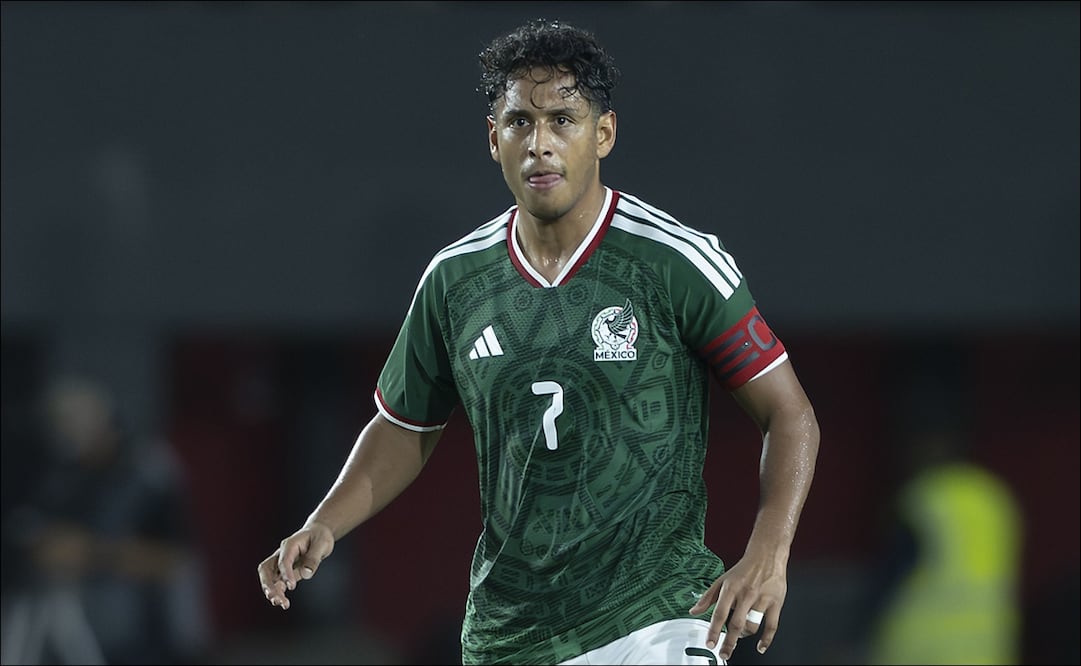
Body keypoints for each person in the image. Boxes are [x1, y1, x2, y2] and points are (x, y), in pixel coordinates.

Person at [258, 18, 819, 665]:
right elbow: (405, 425)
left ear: (602, 134)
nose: (540, 144)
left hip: (659, 614)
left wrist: (767, 554)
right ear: (493, 138)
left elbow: (789, 413)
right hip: (511, 635)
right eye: (520, 122)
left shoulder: (675, 261)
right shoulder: (455, 279)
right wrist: (325, 522)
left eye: (563, 120)